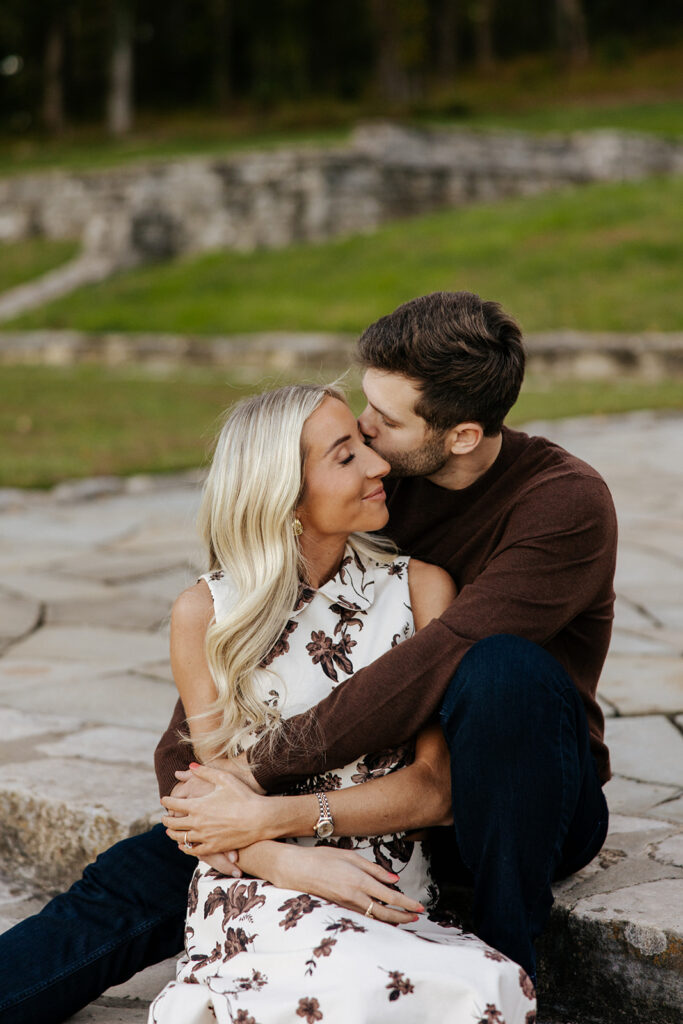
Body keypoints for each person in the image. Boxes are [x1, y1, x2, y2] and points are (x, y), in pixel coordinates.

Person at [0, 291, 615, 1023]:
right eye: (362, 415)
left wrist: (256, 787)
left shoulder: (560, 504)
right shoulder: (382, 482)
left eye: (384, 421)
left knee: (498, 669)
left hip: (520, 798)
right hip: (340, 802)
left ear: (460, 436)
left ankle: (506, 967)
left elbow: (437, 661)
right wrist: (249, 830)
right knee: (129, 882)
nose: (367, 433)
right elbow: (205, 722)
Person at [147, 382, 534, 1023]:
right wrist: (291, 864)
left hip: (392, 898)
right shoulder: (206, 614)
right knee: (359, 989)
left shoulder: (421, 590)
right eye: (346, 455)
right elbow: (209, 806)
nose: (380, 464)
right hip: (261, 895)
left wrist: (284, 819)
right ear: (286, 493)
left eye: (364, 445)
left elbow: (436, 792)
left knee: (492, 988)